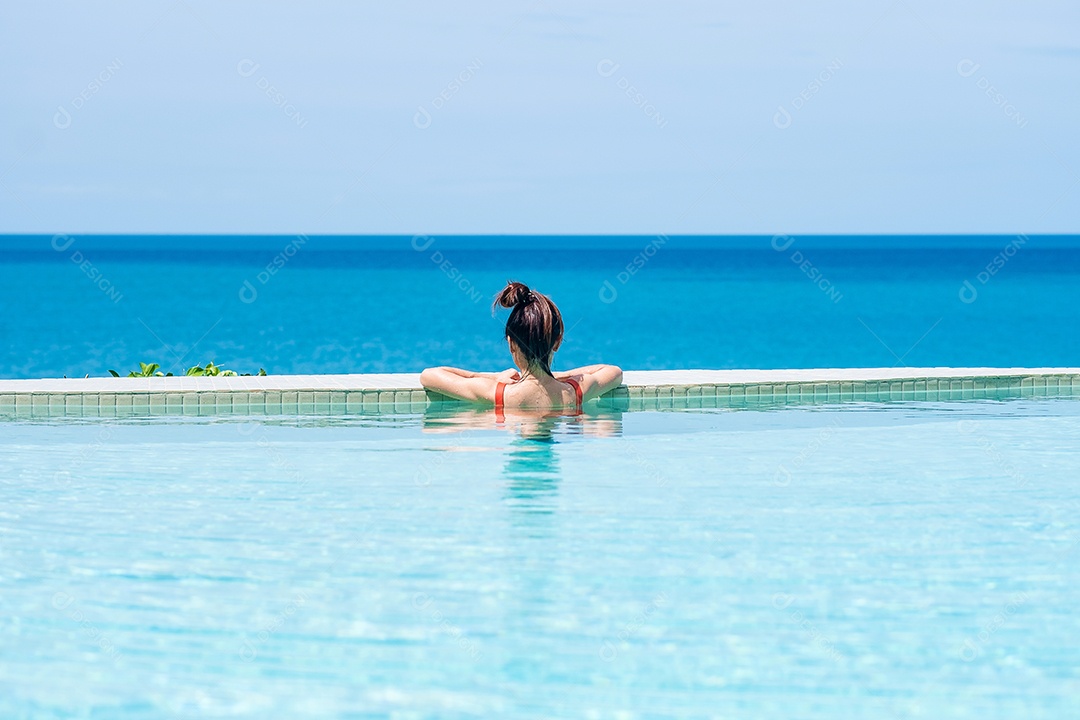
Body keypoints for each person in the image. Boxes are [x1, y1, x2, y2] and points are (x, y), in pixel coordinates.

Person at [420, 281, 623, 411]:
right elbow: (613, 371)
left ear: (511, 344)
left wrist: (493, 377)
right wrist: (555, 377)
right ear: (558, 342)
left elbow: (429, 375)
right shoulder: (575, 392)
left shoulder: (498, 393)